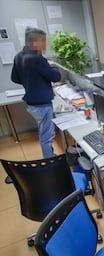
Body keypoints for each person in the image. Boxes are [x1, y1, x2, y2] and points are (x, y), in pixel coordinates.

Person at [11, 27, 61, 158]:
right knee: (46, 136)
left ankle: (50, 154)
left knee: (44, 131)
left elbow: (14, 78)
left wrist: (30, 83)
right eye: (43, 41)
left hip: (31, 104)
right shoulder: (37, 59)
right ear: (34, 42)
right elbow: (56, 77)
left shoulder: (18, 56)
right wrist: (52, 65)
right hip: (42, 105)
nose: (45, 44)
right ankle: (50, 162)